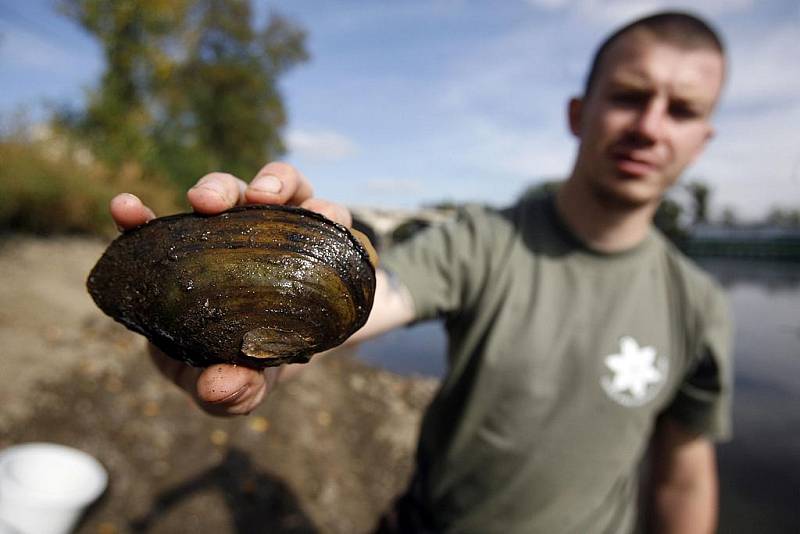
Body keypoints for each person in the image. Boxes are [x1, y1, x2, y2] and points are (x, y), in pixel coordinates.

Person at [110, 10, 732, 534]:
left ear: (703, 140)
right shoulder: (483, 242)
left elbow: (683, 471)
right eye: (628, 95)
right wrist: (266, 334)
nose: (650, 126)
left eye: (681, 110)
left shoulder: (699, 305)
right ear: (579, 112)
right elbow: (381, 299)